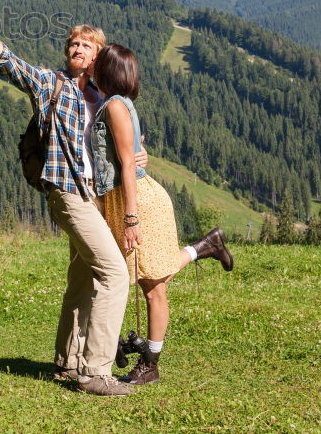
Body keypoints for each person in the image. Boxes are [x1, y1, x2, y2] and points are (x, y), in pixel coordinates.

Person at [0, 7, 139, 396]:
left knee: (82, 277)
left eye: (86, 44)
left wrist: (138, 154)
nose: (77, 48)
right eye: (73, 44)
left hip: (94, 196)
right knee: (114, 273)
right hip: (66, 192)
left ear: (99, 55)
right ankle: (96, 371)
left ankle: (67, 363)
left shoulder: (103, 97)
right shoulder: (52, 84)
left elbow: (118, 147)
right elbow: (9, 64)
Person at [89, 43, 234, 386]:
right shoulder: (116, 103)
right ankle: (205, 246)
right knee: (139, 276)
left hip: (137, 200)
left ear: (107, 72)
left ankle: (150, 362)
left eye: (98, 63)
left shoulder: (115, 108)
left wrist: (130, 218)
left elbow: (127, 165)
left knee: (153, 286)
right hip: (129, 198)